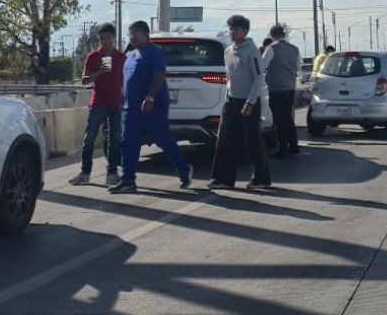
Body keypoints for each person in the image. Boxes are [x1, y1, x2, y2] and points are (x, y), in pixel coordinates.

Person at [110, 21, 193, 194]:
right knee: (128, 143)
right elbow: (126, 80)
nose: (132, 36)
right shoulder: (130, 56)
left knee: (163, 140)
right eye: (130, 33)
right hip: (130, 109)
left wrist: (150, 97)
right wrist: (121, 99)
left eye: (136, 32)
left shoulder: (154, 52)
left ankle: (184, 170)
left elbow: (160, 74)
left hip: (152, 107)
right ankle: (128, 180)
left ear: (146, 35)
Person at [208, 14, 272, 190]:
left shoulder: (251, 50)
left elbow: (258, 78)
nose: (232, 32)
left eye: (236, 29)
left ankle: (261, 179)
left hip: (249, 102)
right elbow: (229, 76)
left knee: (251, 142)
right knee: (225, 139)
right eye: (230, 29)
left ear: (245, 31)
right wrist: (227, 97)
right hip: (232, 100)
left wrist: (250, 102)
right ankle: (222, 179)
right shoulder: (228, 50)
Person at [70, 24, 124, 187]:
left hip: (116, 103)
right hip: (98, 102)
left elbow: (127, 79)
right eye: (102, 39)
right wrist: (100, 72)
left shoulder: (121, 57)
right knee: (89, 138)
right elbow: (84, 81)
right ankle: (85, 173)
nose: (105, 41)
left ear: (114, 38)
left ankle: (112, 173)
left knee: (115, 139)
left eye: (108, 38)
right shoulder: (93, 57)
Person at [261, 24, 300, 156]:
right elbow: (298, 67)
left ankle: (283, 148)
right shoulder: (294, 49)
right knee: (288, 117)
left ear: (271, 35)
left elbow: (262, 66)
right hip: (290, 87)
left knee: (279, 119)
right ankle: (293, 146)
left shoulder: (271, 49)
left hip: (276, 88)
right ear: (283, 34)